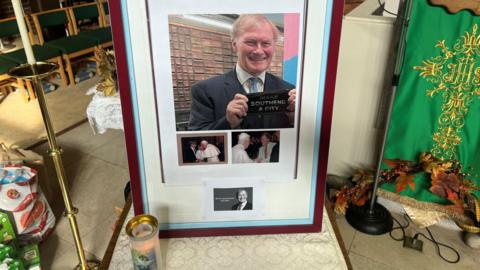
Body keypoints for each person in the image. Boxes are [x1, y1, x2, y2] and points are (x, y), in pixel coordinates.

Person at [188, 14, 296, 130]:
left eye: (266, 43)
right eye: (251, 42)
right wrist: (228, 122)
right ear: (234, 45)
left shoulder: (288, 90)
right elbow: (196, 136)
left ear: (273, 47)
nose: (259, 51)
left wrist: (293, 120)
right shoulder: (205, 91)